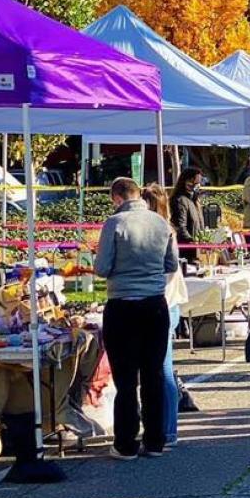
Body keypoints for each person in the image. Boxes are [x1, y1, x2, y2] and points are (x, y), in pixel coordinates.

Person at [95, 178, 179, 460]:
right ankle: (155, 441)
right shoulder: (161, 223)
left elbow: (103, 267)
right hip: (156, 305)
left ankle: (126, 443)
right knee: (153, 373)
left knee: (126, 378)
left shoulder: (114, 223)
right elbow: (172, 264)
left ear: (116, 197)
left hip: (123, 304)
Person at [141, 184, 187, 447]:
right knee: (155, 369)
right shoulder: (159, 231)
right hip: (163, 303)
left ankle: (169, 430)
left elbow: (168, 275)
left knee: (163, 369)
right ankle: (160, 426)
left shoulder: (164, 232)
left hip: (165, 304)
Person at [170, 167, 205, 265]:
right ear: (187, 181)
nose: (198, 186)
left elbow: (199, 225)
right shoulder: (180, 200)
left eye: (199, 182)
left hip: (196, 251)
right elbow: (181, 226)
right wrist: (192, 243)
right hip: (186, 253)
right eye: (196, 182)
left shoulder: (195, 200)